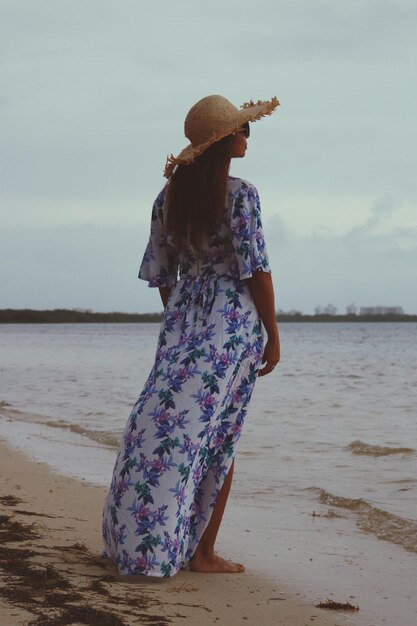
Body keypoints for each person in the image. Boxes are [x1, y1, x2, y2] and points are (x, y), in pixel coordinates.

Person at [102, 94, 281, 577]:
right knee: (218, 438)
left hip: (183, 318)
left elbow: (161, 274)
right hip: (233, 322)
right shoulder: (242, 194)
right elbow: (255, 271)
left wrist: (184, 315)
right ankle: (201, 554)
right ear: (225, 140)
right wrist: (273, 333)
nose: (248, 137)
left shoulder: (169, 197)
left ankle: (138, 540)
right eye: (243, 131)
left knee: (162, 428)